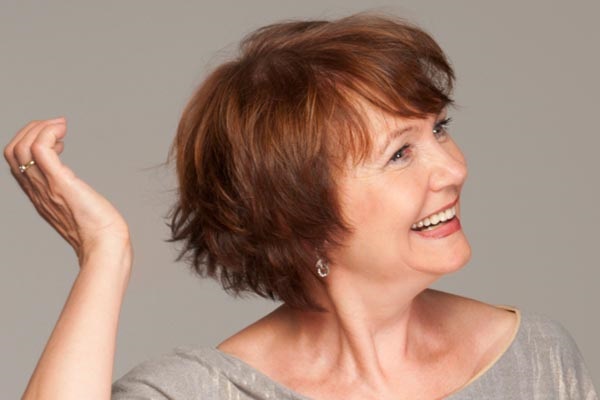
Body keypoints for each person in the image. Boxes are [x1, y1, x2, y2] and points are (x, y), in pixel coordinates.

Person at [5, 13, 597, 400]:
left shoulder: (537, 359)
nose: (454, 168)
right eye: (399, 155)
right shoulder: (206, 391)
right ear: (298, 213)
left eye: (439, 129)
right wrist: (104, 254)